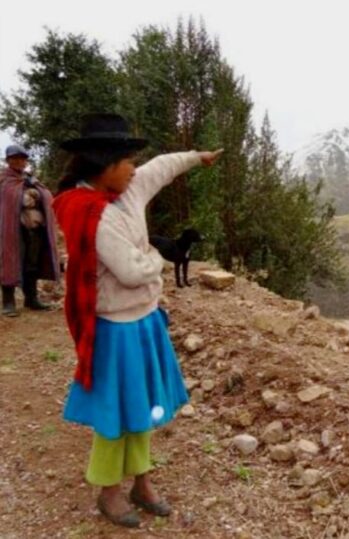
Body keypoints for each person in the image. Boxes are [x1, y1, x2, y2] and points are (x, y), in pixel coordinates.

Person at [53, 113, 223, 528]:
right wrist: (156, 259)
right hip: (116, 330)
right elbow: (131, 271)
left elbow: (159, 168)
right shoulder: (94, 215)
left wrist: (196, 157)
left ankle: (141, 484)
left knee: (145, 407)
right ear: (103, 166)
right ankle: (108, 492)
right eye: (127, 161)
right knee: (116, 415)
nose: (134, 168)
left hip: (145, 321)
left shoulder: (124, 192)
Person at [0, 144, 60, 316]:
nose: (19, 161)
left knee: (31, 263)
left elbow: (47, 197)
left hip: (33, 229)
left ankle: (31, 298)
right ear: (9, 160)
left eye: (22, 158)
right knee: (10, 262)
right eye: (15, 158)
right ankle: (9, 302)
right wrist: (28, 195)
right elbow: (11, 200)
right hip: (12, 229)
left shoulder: (30, 178)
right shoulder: (4, 179)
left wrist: (37, 192)